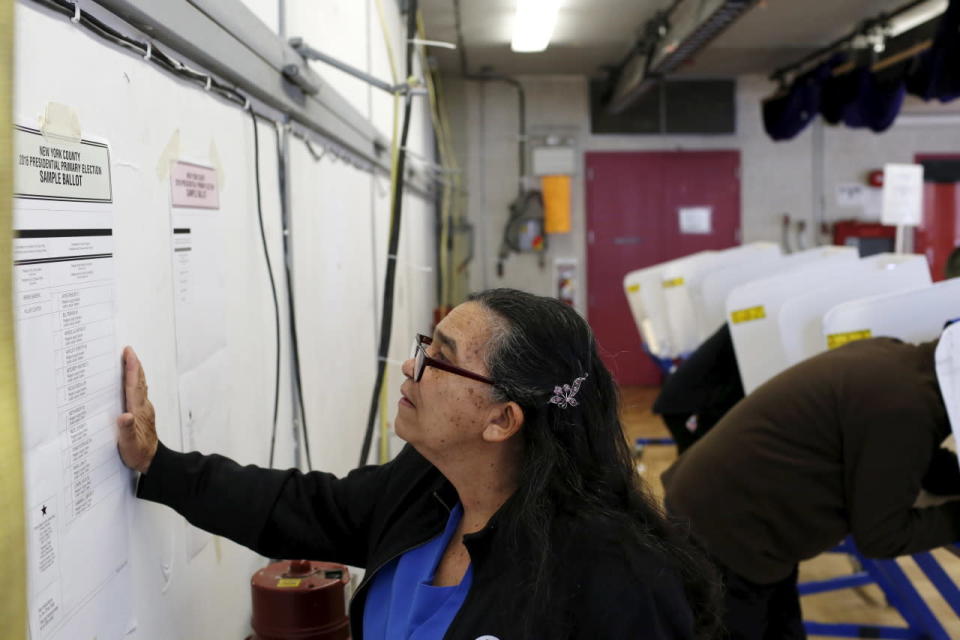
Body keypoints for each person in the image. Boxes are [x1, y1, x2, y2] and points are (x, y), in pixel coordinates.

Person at [117, 288, 722, 639]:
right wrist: (160, 464)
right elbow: (297, 506)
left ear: (503, 420)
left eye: (442, 358)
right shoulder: (428, 488)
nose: (413, 367)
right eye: (423, 346)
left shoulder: (616, 577)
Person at [661, 336, 960, 640]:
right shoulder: (904, 410)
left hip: (734, 511)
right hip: (729, 531)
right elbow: (882, 535)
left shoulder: (900, 362)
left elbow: (922, 456)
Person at [652, 324, 744, 454]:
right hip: (681, 407)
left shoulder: (737, 329)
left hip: (684, 402)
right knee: (697, 457)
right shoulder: (739, 330)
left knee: (700, 457)